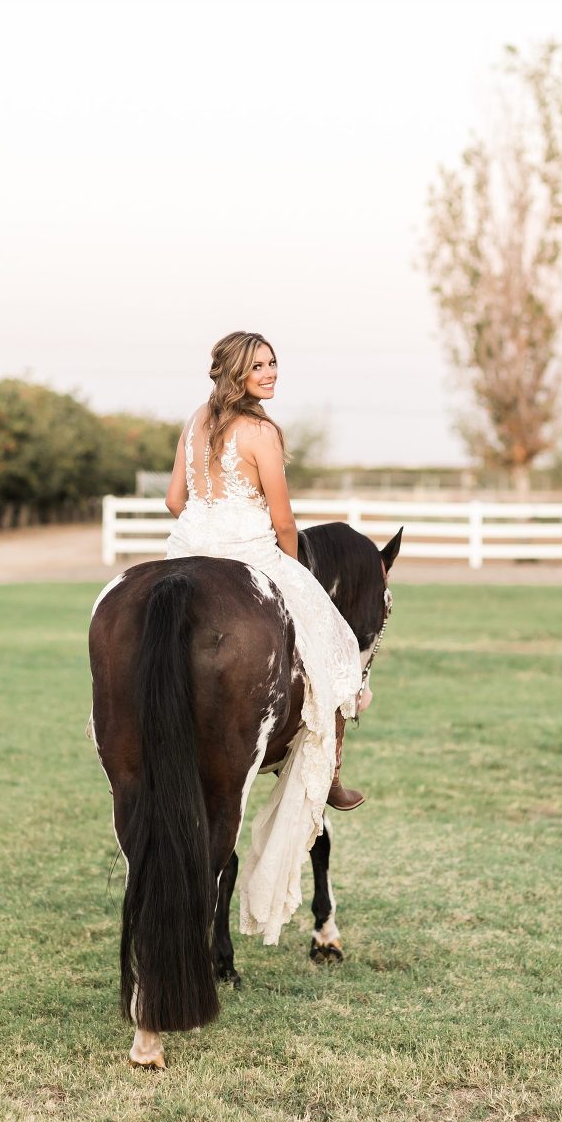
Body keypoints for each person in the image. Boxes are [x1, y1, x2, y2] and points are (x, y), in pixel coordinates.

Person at [163, 331, 366, 942]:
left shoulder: (196, 421)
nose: (271, 373)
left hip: (189, 547)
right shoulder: (263, 432)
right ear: (236, 372)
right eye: (259, 365)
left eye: (274, 362)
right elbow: (283, 520)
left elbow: (176, 500)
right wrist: (290, 567)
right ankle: (326, 769)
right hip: (250, 552)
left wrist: (212, 515)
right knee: (333, 645)